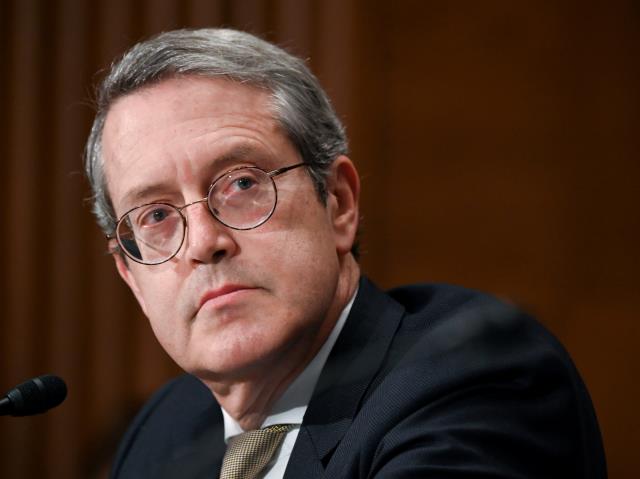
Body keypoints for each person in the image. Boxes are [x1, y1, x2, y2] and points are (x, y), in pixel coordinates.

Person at [84, 28, 606, 479]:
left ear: (337, 203)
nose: (203, 242)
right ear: (130, 275)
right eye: (155, 216)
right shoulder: (162, 434)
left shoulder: (472, 376)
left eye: (242, 183)